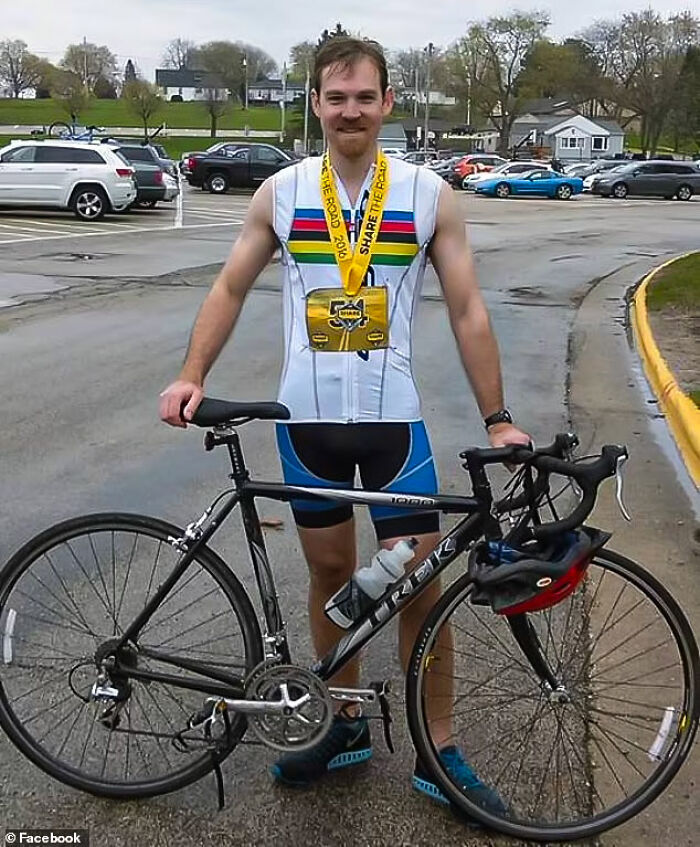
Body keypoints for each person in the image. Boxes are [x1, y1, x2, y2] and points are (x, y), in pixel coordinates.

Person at [160, 37, 530, 813]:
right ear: (317, 104)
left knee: (418, 591)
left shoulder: (429, 195)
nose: (351, 110)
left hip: (395, 426)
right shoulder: (284, 193)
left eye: (365, 97)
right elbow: (229, 286)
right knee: (333, 577)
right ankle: (345, 726)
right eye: (336, 97)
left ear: (387, 103)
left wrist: (498, 419)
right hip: (308, 425)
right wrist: (192, 373)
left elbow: (467, 308)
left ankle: (440, 748)